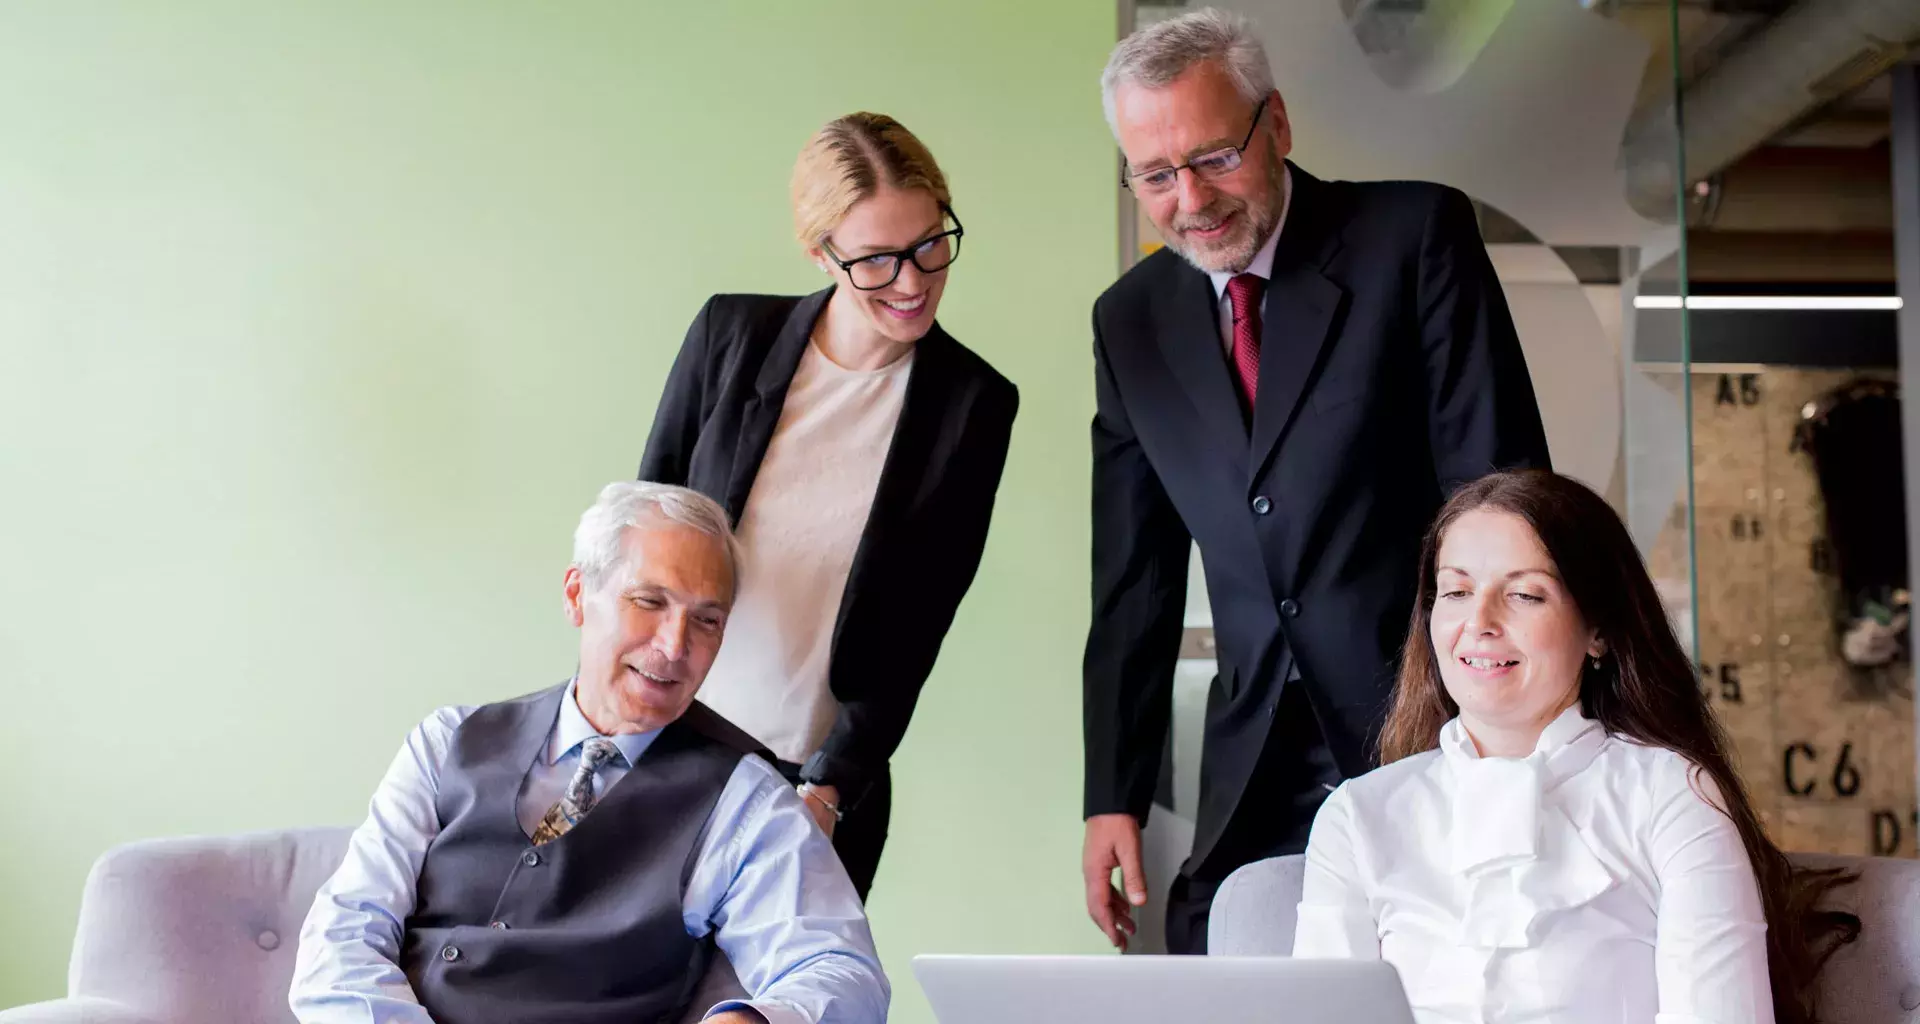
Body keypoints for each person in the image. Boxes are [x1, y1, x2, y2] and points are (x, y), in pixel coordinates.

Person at [1081, 7, 1551, 954]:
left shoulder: (1412, 237)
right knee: (1214, 950)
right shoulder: (1129, 320)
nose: (1191, 200)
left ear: (1279, 126)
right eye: (1156, 175)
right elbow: (1135, 580)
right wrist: (1111, 796)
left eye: (1214, 157)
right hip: (1254, 747)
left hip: (1429, 712)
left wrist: (1512, 729)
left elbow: (1501, 501)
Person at [290, 482, 889, 1024]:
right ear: (578, 595)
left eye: (706, 620)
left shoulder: (744, 801)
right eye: (650, 602)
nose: (674, 646)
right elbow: (344, 931)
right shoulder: (444, 742)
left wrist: (757, 1023)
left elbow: (844, 972)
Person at [1294, 470, 1856, 1024]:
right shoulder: (1358, 814)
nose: (1480, 622)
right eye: (1457, 591)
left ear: (1599, 630)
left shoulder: (1673, 795)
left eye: (1524, 594)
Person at [640, 112, 1018, 900]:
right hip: (669, 749)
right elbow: (644, 544)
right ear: (821, 253)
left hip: (814, 787)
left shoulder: (972, 405)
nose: (913, 282)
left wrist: (828, 791)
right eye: (878, 260)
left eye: (928, 245)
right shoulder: (729, 336)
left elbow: (921, 623)